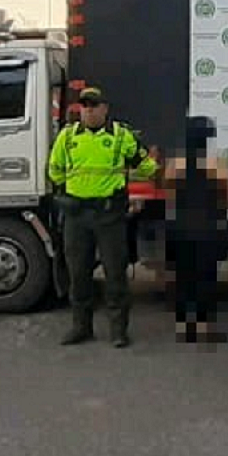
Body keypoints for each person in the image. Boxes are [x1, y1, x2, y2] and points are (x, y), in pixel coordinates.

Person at [49, 86, 158, 348]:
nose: (88, 110)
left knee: (115, 274)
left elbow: (147, 168)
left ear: (105, 109)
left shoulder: (121, 137)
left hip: (109, 215)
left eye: (93, 105)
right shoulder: (67, 137)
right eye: (84, 105)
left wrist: (135, 188)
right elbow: (55, 171)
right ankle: (81, 327)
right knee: (78, 273)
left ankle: (118, 330)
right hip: (77, 215)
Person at [160, 116, 228, 343]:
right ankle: (203, 326)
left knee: (183, 277)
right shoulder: (218, 165)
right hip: (208, 227)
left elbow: (169, 194)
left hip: (181, 227)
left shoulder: (175, 165)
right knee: (206, 277)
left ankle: (184, 325)